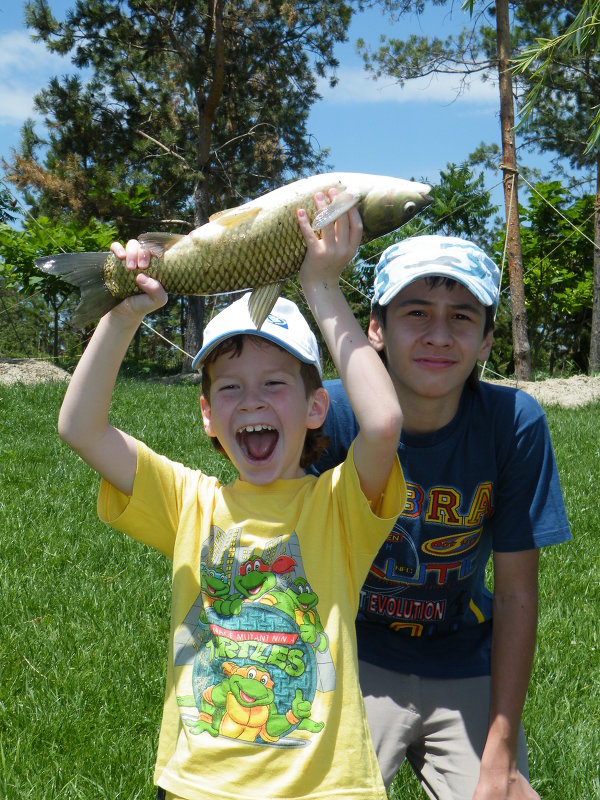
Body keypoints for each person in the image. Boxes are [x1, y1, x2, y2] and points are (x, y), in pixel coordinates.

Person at [56, 189, 406, 800]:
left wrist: (321, 286)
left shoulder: (341, 506)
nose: (251, 401)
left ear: (317, 406)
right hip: (198, 786)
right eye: (229, 389)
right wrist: (125, 311)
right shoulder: (189, 501)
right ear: (207, 417)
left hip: (325, 789)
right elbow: (79, 428)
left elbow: (380, 424)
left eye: (276, 383)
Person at [313, 235, 572, 800]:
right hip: (351, 655)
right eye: (415, 313)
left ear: (485, 339)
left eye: (462, 316)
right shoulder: (329, 414)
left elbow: (515, 597)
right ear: (375, 328)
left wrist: (499, 755)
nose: (438, 334)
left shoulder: (513, 423)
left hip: (463, 659)